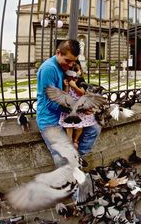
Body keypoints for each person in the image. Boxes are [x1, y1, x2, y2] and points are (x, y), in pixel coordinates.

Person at [36, 39, 101, 167]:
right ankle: (68, 173)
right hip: (50, 118)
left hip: (65, 114)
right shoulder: (49, 69)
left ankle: (76, 160)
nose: (71, 65)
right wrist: (80, 109)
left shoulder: (64, 66)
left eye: (73, 61)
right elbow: (51, 103)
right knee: (62, 156)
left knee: (94, 129)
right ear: (58, 53)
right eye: (67, 60)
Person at [59, 61, 97, 149]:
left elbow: (82, 93)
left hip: (80, 109)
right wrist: (67, 86)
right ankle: (69, 142)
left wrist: (74, 86)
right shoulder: (66, 81)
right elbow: (65, 95)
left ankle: (75, 140)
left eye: (77, 72)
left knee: (80, 127)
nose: (75, 77)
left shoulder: (80, 81)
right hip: (70, 110)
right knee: (69, 127)